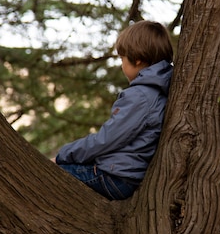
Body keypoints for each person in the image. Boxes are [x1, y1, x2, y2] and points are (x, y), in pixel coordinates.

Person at [55, 20, 173, 200]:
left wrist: (64, 154)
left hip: (115, 177)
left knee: (52, 172)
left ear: (138, 59)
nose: (121, 65)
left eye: (122, 58)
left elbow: (107, 139)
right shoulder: (158, 93)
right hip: (126, 175)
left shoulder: (140, 96)